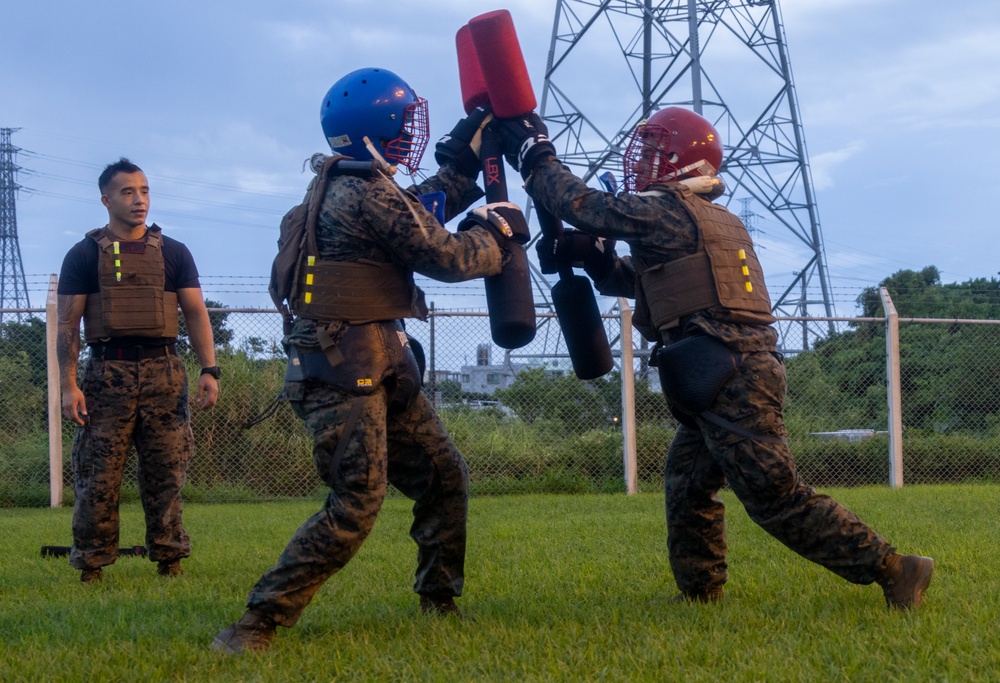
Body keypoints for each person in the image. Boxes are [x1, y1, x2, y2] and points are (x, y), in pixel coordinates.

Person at [491, 106, 934, 609]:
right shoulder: (702, 217)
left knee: (775, 496)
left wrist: (535, 154)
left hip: (730, 372)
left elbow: (582, 206)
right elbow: (649, 282)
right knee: (687, 483)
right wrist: (596, 262)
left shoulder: (670, 210)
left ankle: (895, 568)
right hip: (730, 367)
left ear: (680, 158)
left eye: (653, 151)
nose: (640, 163)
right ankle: (701, 593)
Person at [211, 67, 522, 654]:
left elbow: (421, 207)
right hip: (344, 369)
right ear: (374, 128)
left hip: (372, 360)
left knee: (443, 475)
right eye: (404, 123)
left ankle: (438, 599)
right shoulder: (368, 191)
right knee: (357, 501)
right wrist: (497, 238)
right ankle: (256, 622)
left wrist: (464, 157)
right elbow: (445, 254)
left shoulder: (342, 183)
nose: (410, 133)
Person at [57, 157, 220, 584]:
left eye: (144, 191)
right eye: (128, 192)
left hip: (164, 373)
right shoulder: (84, 254)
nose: (139, 200)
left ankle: (170, 560)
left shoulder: (174, 252)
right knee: (98, 477)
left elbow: (196, 312)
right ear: (106, 199)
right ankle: (91, 565)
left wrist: (210, 368)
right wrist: (68, 384)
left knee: (167, 471)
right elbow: (67, 324)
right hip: (106, 375)